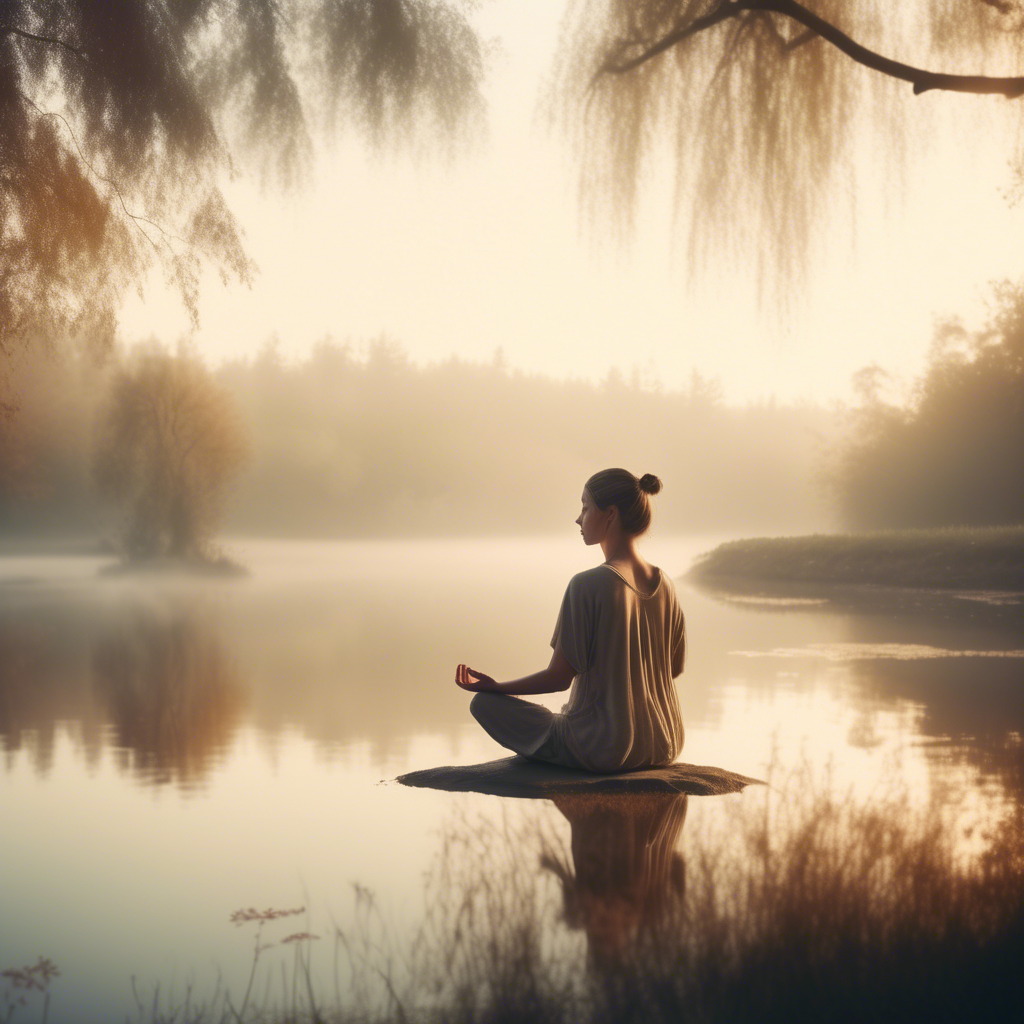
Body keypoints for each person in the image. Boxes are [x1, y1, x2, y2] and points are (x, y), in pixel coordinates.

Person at [455, 468, 686, 773]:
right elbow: (675, 669)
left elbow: (559, 679)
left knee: (483, 704)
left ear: (610, 514)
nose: (579, 519)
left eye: (585, 507)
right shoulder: (665, 583)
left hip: (603, 747)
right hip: (665, 741)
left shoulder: (588, 585)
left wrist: (496, 687)